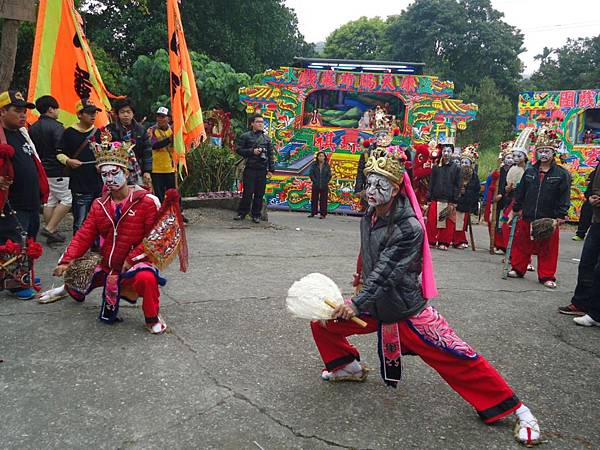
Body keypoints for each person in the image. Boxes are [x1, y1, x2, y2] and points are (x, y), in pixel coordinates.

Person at [309, 133, 541, 446]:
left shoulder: (409, 227)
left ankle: (518, 410)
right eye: (369, 183)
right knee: (321, 320)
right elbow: (369, 252)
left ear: (395, 188)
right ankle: (346, 366)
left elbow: (388, 271)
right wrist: (358, 275)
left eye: (381, 185)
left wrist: (357, 301)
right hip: (375, 305)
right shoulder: (370, 214)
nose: (372, 191)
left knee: (459, 357)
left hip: (405, 310)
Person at [53, 132, 167, 334]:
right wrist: (67, 259)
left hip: (134, 262)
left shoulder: (147, 202)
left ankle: (152, 317)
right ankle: (71, 291)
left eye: (115, 173)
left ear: (126, 171)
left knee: (147, 278)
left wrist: (131, 259)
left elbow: (155, 238)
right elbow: (84, 234)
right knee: (75, 271)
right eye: (105, 174)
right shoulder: (99, 204)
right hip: (108, 264)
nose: (110, 179)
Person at [0, 90, 49, 299]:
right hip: (11, 202)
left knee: (28, 239)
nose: (23, 115)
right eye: (17, 110)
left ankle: (25, 274)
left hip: (30, 199)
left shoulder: (22, 133)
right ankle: (16, 283)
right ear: (2, 111)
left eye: (24, 111)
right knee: (13, 241)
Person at [508, 127, 571, 289]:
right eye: (540, 151)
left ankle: (547, 275)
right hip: (527, 214)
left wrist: (560, 215)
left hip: (548, 217)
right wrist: (516, 209)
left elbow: (564, 196)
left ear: (553, 152)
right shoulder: (529, 171)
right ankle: (517, 268)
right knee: (521, 244)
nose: (543, 154)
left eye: (546, 151)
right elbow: (521, 192)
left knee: (548, 249)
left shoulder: (561, 174)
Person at [558, 165, 600, 321]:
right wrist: (591, 197)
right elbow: (592, 188)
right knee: (587, 264)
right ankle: (581, 304)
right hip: (597, 221)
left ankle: (595, 313)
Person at [57, 99, 103, 234]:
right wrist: (69, 161)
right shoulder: (69, 132)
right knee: (80, 220)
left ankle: (95, 245)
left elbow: (104, 153)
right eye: (89, 113)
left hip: (97, 182)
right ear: (79, 115)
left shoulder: (99, 133)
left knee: (98, 218)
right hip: (79, 182)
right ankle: (78, 248)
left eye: (94, 113)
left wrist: (102, 164)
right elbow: (59, 153)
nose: (93, 116)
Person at [29, 95, 70, 245]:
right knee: (67, 199)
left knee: (50, 200)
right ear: (51, 109)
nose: (58, 111)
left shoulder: (32, 127)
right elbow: (61, 149)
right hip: (57, 169)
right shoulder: (57, 127)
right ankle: (50, 229)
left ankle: (51, 231)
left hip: (42, 169)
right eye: (57, 108)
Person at [234, 114, 274, 223]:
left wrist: (271, 170)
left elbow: (270, 155)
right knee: (248, 192)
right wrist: (252, 151)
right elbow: (238, 150)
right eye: (258, 122)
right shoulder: (246, 136)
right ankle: (242, 213)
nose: (260, 124)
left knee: (259, 194)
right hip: (250, 168)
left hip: (262, 170)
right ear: (252, 124)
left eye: (262, 122)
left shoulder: (267, 139)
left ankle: (256, 215)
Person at [105, 98, 152, 188]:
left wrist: (147, 171)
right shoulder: (110, 129)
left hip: (137, 169)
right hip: (116, 171)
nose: (125, 115)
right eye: (122, 112)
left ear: (133, 113)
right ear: (118, 114)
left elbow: (147, 151)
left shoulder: (141, 130)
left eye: (128, 112)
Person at [426, 140, 461, 251]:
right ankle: (431, 241)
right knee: (432, 221)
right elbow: (432, 183)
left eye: (449, 151)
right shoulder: (436, 167)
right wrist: (429, 197)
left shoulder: (456, 168)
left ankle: (444, 242)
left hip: (448, 199)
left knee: (447, 223)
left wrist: (455, 200)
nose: (446, 153)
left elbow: (457, 184)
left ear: (452, 153)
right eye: (444, 151)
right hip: (436, 198)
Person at [452, 145, 480, 249]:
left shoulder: (474, 176)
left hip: (466, 202)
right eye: (462, 162)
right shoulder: (456, 173)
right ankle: (455, 239)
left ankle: (460, 240)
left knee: (462, 224)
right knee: (455, 222)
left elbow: (476, 190)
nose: (464, 164)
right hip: (457, 202)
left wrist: (466, 193)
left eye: (466, 162)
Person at [147, 107, 175, 203]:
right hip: (156, 169)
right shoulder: (152, 130)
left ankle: (176, 213)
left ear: (169, 118)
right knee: (159, 195)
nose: (160, 119)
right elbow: (153, 145)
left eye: (163, 117)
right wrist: (169, 140)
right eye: (158, 116)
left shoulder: (173, 130)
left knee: (173, 194)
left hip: (171, 168)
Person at [308, 151, 331, 219]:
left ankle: (323, 214)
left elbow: (329, 175)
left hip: (324, 185)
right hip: (316, 184)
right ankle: (313, 213)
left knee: (323, 200)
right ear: (317, 157)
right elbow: (311, 174)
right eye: (319, 156)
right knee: (314, 199)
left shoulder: (327, 165)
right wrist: (314, 181)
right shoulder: (314, 165)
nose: (321, 157)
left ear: (324, 157)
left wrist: (326, 181)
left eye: (322, 156)